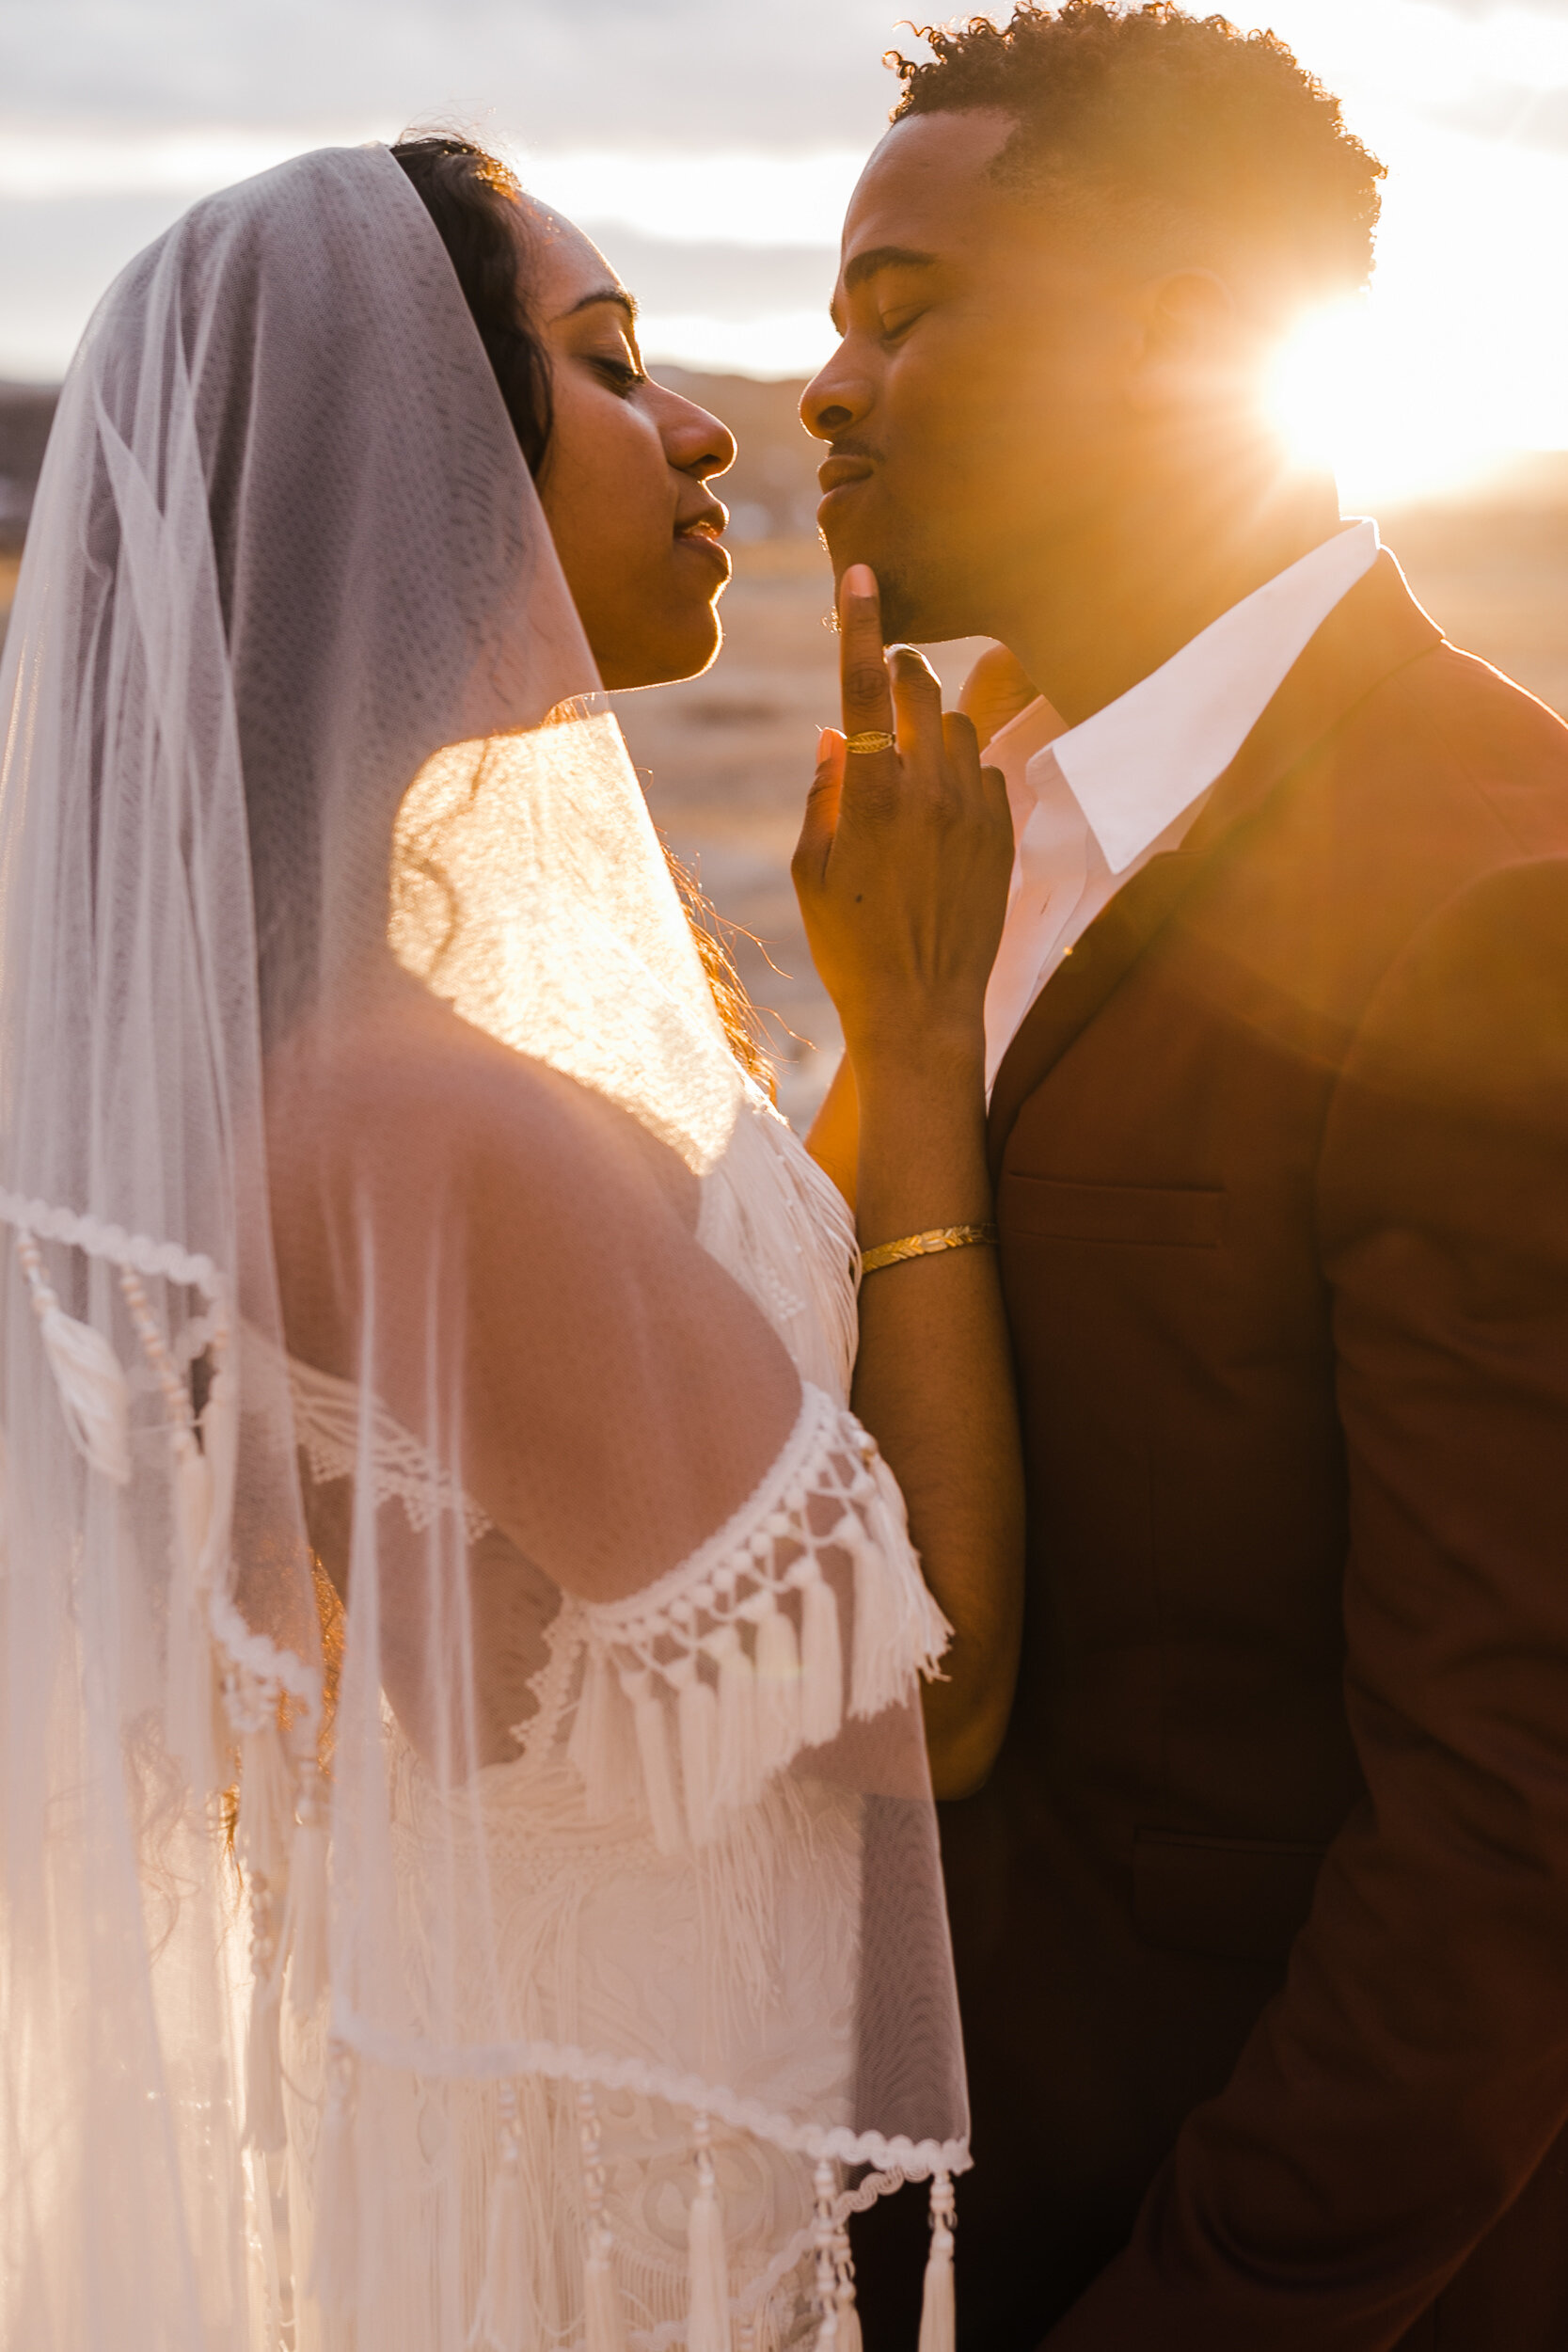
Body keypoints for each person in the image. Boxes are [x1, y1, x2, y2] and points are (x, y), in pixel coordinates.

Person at [0, 135, 1021, 2350]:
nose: (708, 430)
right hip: (625, 2236)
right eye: (609, 365)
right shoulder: (410, 1108)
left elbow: (697, 1407)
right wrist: (927, 1047)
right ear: (431, 466)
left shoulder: (374, 1044)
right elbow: (922, 1700)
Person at [796, 7, 1568, 2347]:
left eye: (904, 314)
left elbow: (1513, 1830)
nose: (824, 389)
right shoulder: (959, 836)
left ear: (1191, 345)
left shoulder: (1486, 882)